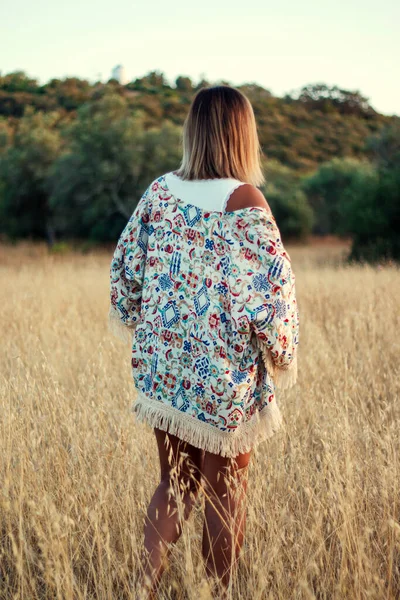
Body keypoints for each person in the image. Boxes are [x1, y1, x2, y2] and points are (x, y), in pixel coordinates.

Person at [109, 85, 299, 599]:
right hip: (222, 379)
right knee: (224, 495)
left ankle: (138, 590)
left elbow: (124, 269)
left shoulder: (159, 192)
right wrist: (281, 353)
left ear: (193, 131)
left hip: (163, 369)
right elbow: (272, 299)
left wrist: (152, 330)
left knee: (172, 486)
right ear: (244, 135)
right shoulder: (246, 202)